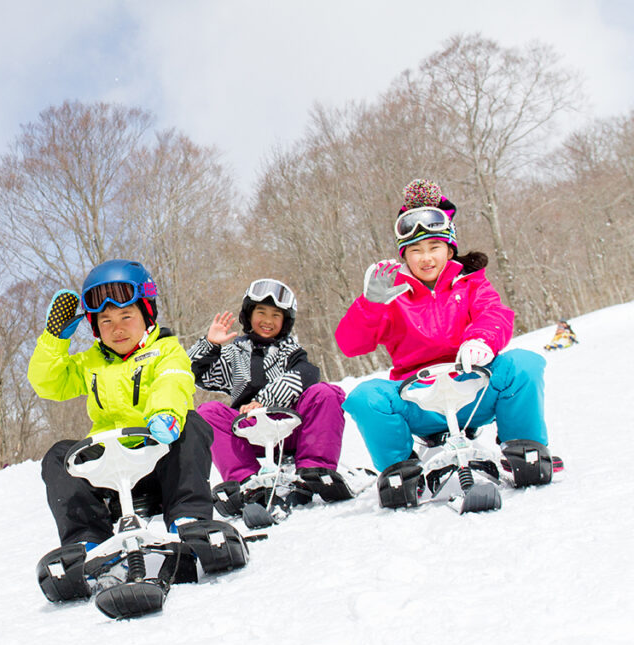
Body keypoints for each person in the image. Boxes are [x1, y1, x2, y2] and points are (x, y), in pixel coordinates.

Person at [335, 179, 554, 509]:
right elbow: (351, 345)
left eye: (434, 248)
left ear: (449, 249)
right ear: (404, 255)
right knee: (365, 397)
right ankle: (401, 472)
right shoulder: (390, 295)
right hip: (418, 400)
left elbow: (494, 314)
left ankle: (524, 450)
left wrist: (480, 339)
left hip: (472, 389)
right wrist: (370, 305)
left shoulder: (470, 284)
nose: (426, 258)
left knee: (523, 364)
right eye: (416, 251)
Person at [29, 259, 218, 548]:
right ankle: (86, 541)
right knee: (59, 455)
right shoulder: (90, 362)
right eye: (106, 321)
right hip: (109, 470)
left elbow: (173, 380)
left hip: (158, 458)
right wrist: (55, 341)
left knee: (191, 424)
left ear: (146, 315)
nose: (117, 328)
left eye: (126, 316)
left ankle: (189, 519)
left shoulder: (165, 350)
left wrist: (165, 414)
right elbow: (48, 384)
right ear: (95, 327)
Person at [187, 278, 350, 505]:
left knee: (326, 393)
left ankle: (315, 469)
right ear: (249, 315)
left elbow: (307, 374)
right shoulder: (234, 355)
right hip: (249, 432)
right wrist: (209, 345)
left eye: (276, 315)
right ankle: (245, 480)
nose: (267, 320)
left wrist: (264, 401)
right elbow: (190, 373)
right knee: (208, 411)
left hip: (290, 428)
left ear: (285, 321)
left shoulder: (290, 351)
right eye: (261, 312)